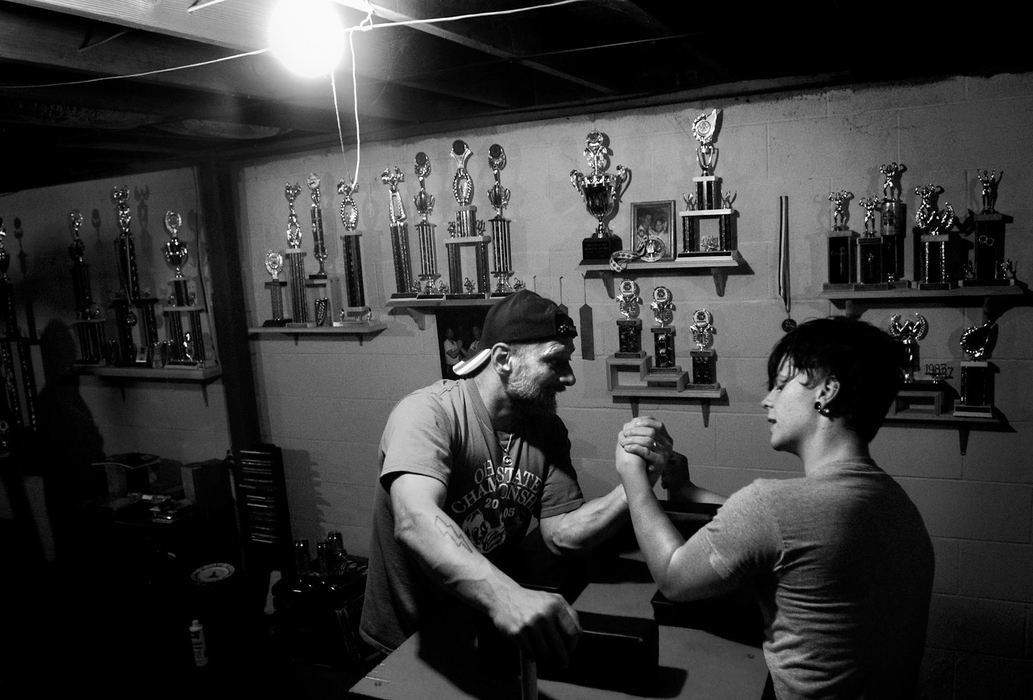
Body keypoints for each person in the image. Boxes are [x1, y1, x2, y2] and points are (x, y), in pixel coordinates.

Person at [614, 316, 934, 699]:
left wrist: (631, 474)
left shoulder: (774, 506)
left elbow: (673, 579)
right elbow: (786, 534)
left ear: (827, 392)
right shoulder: (895, 503)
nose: (768, 399)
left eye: (782, 386)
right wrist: (685, 489)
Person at [360, 289, 675, 669]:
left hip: (482, 632)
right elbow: (414, 518)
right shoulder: (429, 414)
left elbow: (560, 534)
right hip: (409, 641)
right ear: (504, 359)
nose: (569, 377)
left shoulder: (546, 429)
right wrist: (507, 596)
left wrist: (634, 485)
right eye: (555, 362)